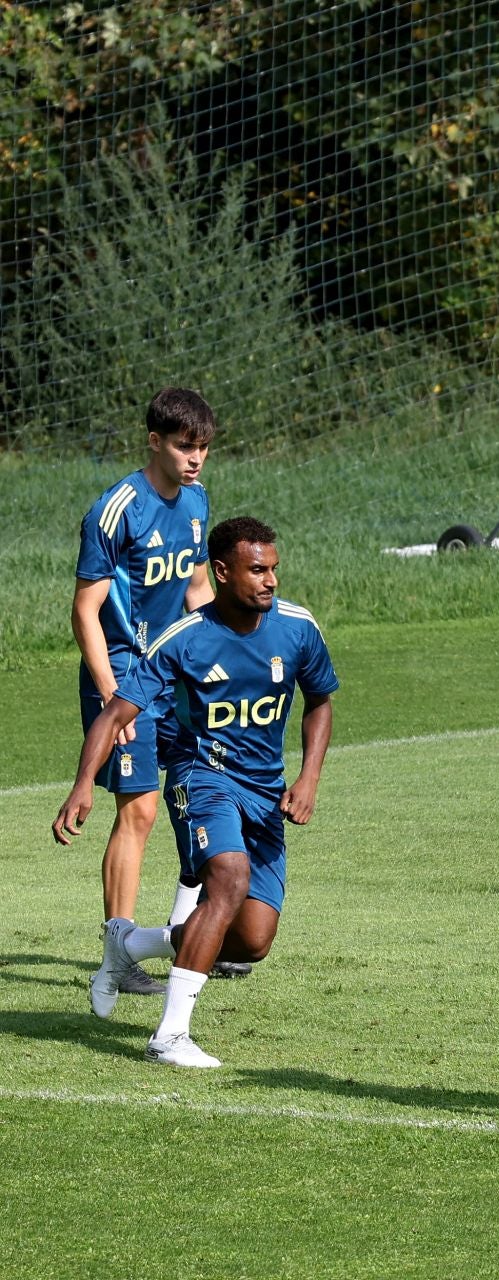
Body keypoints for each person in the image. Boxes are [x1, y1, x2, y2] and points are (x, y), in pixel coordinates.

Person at [54, 517, 337, 1068]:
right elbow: (116, 713)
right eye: (257, 570)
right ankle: (169, 1037)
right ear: (224, 572)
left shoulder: (298, 628)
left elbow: (320, 700)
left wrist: (309, 777)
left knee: (252, 941)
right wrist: (84, 783)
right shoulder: (184, 640)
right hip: (200, 777)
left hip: (265, 791)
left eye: (274, 569)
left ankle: (131, 945)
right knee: (227, 879)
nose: (270, 580)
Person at [73, 388, 222, 999]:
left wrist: (221, 658)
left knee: (197, 791)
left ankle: (203, 927)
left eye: (204, 448)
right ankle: (120, 949)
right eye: (185, 446)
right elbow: (86, 609)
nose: (195, 459)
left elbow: (194, 581)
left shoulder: (195, 502)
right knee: (138, 809)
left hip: (174, 674)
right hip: (124, 676)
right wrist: (112, 698)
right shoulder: (115, 510)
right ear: (154, 441)